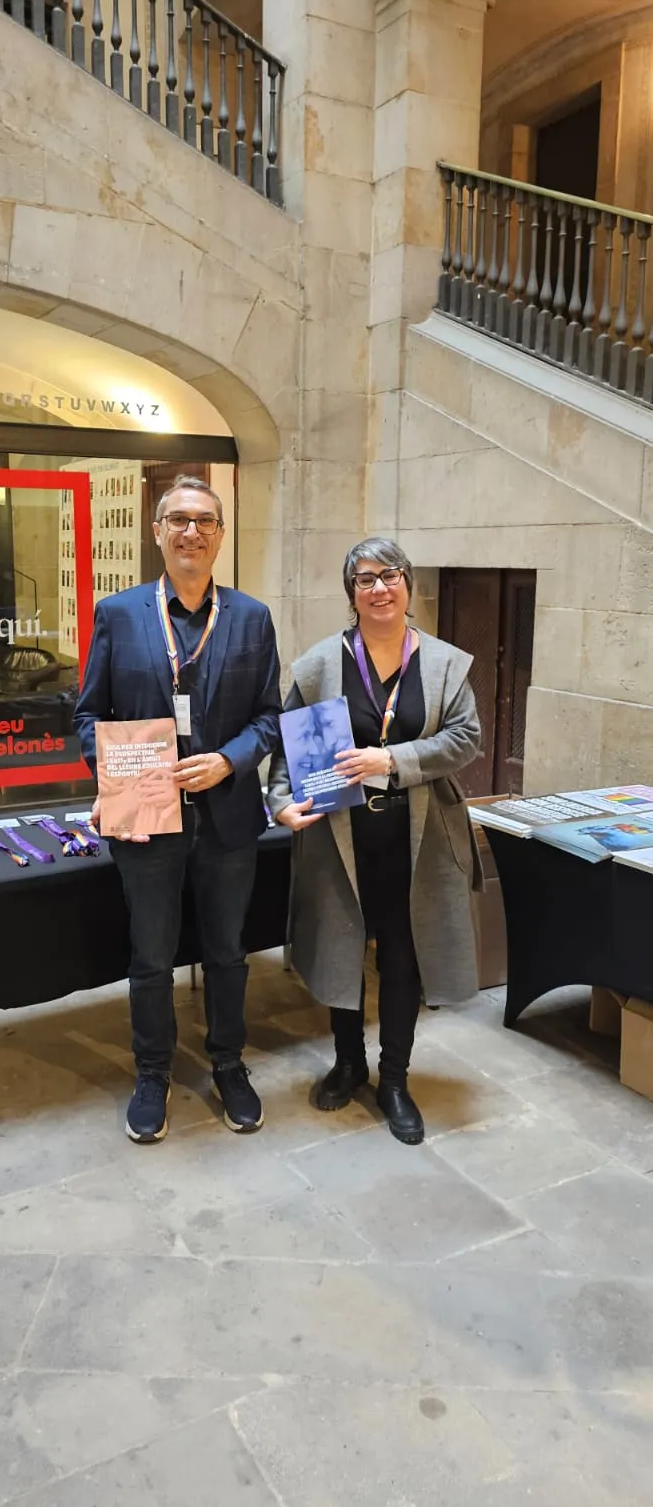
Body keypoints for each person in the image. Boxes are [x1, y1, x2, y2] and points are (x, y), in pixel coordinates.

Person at [74, 475, 282, 1144]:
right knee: (151, 958)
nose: (192, 531)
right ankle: (152, 1074)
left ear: (220, 534)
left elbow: (269, 717)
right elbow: (87, 716)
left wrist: (228, 760)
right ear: (157, 531)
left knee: (227, 953)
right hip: (145, 821)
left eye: (205, 520)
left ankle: (228, 1064)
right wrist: (116, 777)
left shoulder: (251, 617)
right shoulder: (118, 614)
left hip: (227, 817)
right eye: (179, 520)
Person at [267, 538, 482, 1145]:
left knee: (403, 958)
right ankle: (348, 1064)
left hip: (418, 838)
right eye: (365, 579)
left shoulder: (443, 664)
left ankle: (394, 1079)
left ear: (408, 584)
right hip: (342, 835)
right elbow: (288, 749)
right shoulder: (319, 665)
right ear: (351, 593)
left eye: (390, 575)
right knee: (341, 948)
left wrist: (392, 760)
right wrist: (279, 800)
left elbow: (466, 739)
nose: (380, 588)